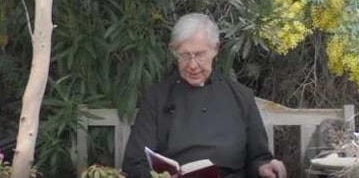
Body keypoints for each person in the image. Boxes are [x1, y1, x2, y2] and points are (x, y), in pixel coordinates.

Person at [122, 13, 287, 178]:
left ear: (215, 49)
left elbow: (258, 158)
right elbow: (135, 162)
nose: (192, 65)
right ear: (174, 51)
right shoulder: (157, 97)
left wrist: (264, 168)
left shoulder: (241, 97)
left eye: (199, 55)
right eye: (185, 55)